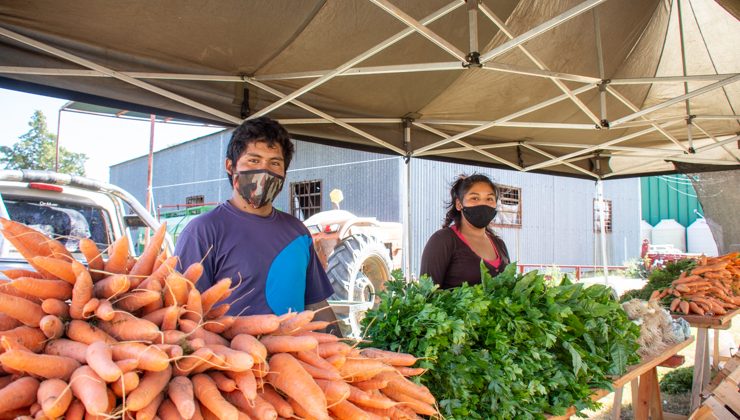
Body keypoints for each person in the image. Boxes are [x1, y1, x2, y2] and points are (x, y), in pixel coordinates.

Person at [174, 116, 340, 334]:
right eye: (253, 161)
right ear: (230, 166)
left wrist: (344, 348)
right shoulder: (203, 231)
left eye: (275, 163)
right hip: (231, 362)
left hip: (296, 361)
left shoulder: (297, 231)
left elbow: (315, 304)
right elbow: (185, 315)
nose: (265, 171)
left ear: (284, 172)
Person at [420, 173, 510, 288]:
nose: (483, 204)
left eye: (489, 199)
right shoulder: (443, 241)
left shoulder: (499, 245)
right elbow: (426, 294)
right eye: (475, 198)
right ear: (459, 204)